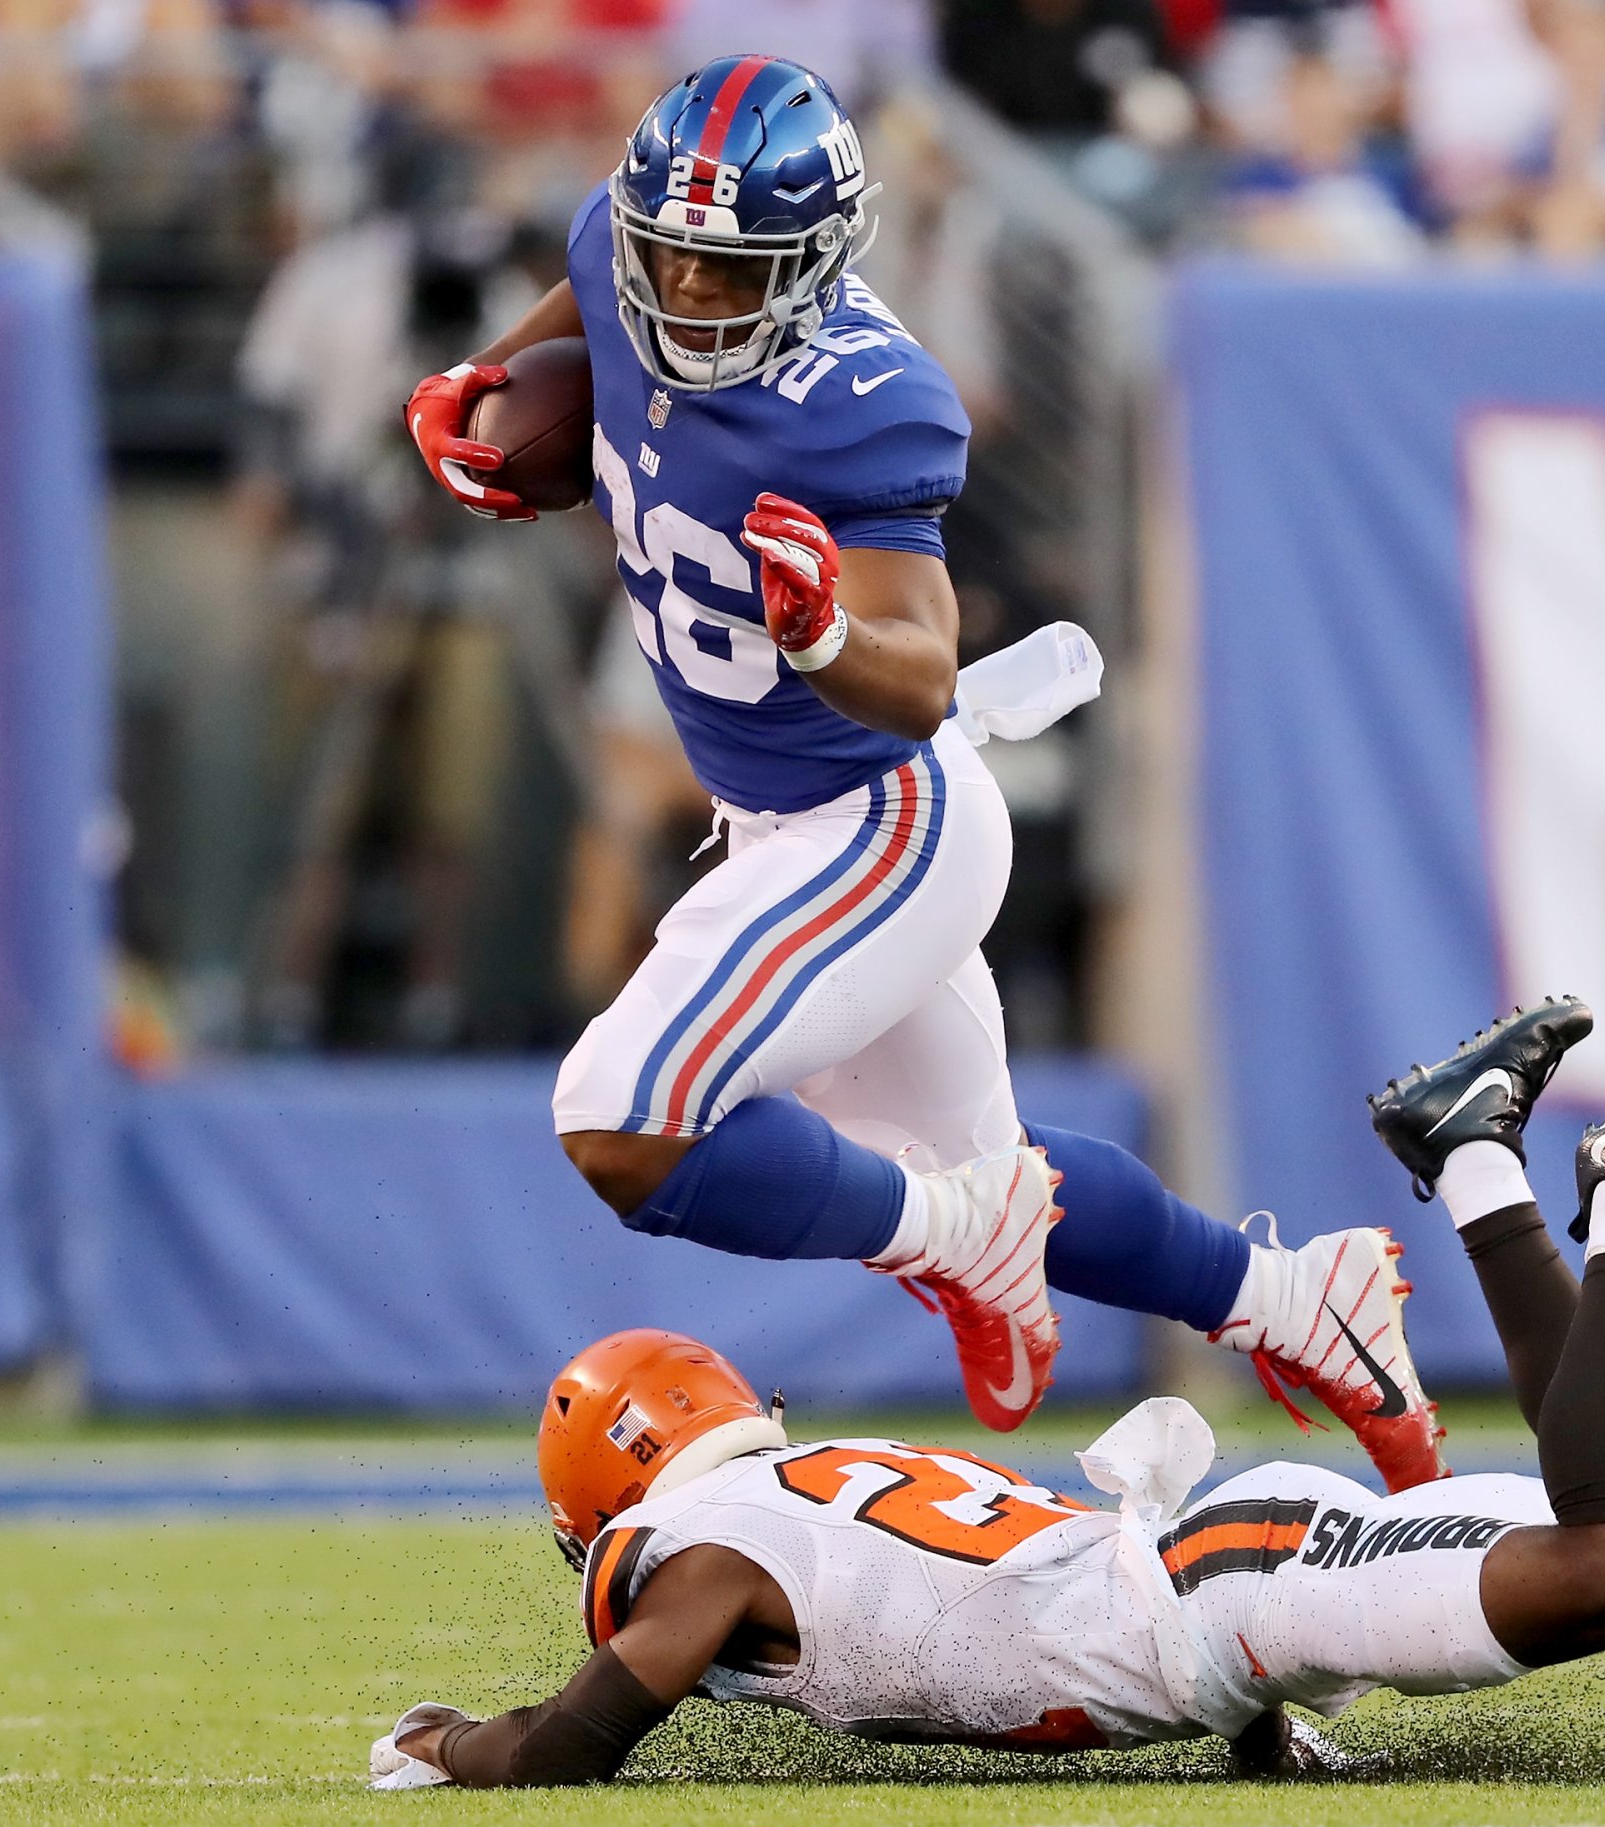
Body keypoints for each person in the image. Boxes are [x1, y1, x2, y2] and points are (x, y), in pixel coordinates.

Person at [400, 56, 1447, 1487]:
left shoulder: (869, 398)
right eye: (669, 258)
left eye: (730, 273)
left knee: (623, 1114)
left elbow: (920, 675)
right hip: (774, 819)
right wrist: (478, 389)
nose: (687, 298)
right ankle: (1294, 1300)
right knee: (997, 1158)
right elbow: (588, 299)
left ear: (816, 260)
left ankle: (963, 1235)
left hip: (874, 822)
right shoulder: (621, 236)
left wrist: (827, 630)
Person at [366, 1001, 1605, 1785]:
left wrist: (454, 1740)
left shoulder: (704, 1551)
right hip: (1211, 1585)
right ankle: (1490, 1162)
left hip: (1218, 1590)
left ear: (613, 1497)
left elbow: (573, 1749)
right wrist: (1262, 1719)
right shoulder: (795, 1490)